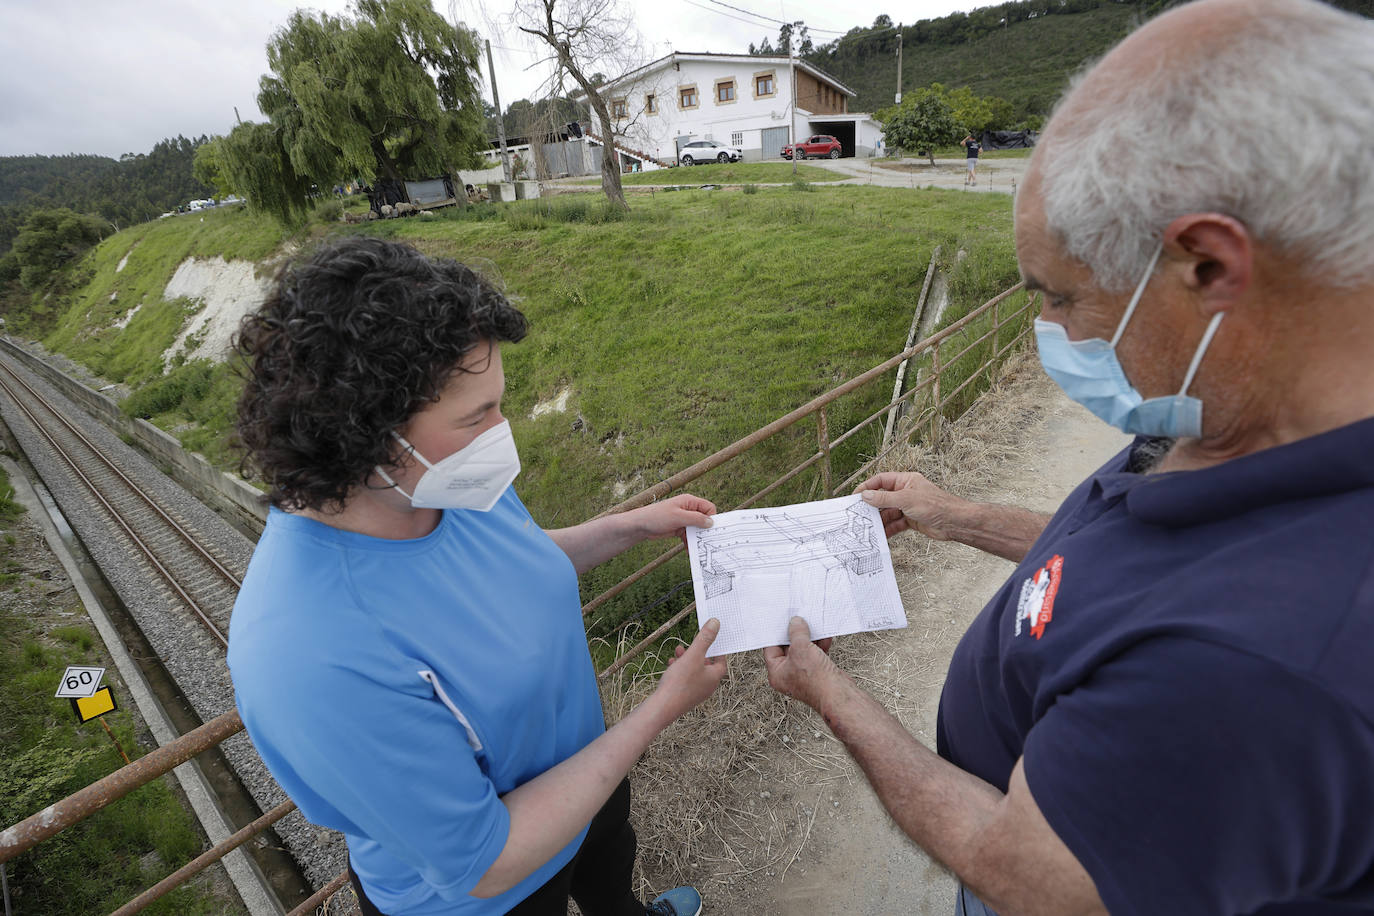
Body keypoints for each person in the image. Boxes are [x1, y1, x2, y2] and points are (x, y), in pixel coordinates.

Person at [762, 1, 1374, 914]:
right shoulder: (1238, 415)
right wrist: (954, 513)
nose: (1048, 334)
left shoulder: (1244, 672)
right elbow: (1131, 569)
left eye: (1059, 297)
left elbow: (1027, 875)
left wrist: (829, 694)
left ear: (1208, 267)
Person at [228, 237, 729, 916]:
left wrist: (633, 526)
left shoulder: (441, 486)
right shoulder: (309, 650)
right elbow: (486, 863)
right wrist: (662, 707)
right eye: (477, 416)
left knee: (612, 878)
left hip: (590, 775)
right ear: (368, 438)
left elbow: (515, 563)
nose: (502, 429)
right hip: (494, 892)